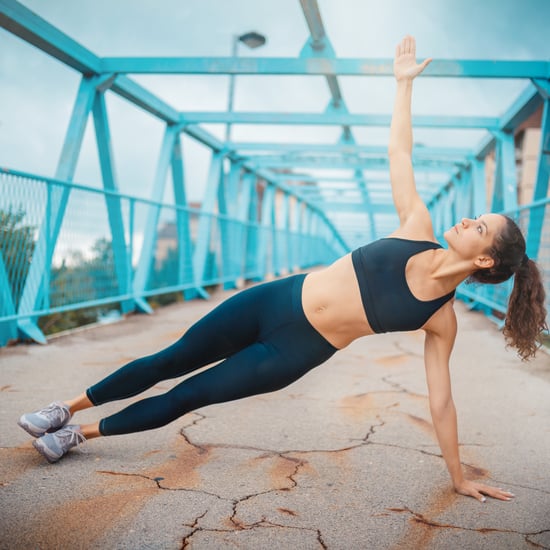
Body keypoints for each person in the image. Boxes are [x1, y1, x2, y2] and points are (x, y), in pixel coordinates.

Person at [19, 36, 547, 503]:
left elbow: (442, 402)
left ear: (484, 260)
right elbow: (400, 151)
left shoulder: (442, 318)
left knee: (188, 396)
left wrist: (457, 478)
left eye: (479, 226)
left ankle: (78, 436)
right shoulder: (417, 225)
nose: (467, 219)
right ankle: (61, 409)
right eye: (476, 215)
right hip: (274, 300)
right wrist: (403, 85)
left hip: (294, 352)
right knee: (169, 359)